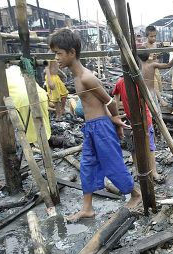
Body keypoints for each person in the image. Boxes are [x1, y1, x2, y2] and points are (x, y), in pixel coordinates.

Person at [49, 28, 141, 221]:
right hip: (91, 128)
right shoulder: (76, 77)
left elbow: (110, 101)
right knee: (87, 165)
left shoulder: (86, 77)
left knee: (113, 163)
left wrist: (115, 120)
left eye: (59, 53)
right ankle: (87, 208)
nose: (56, 58)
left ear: (72, 53)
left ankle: (136, 195)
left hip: (101, 127)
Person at [0, 63, 51, 144]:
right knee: (42, 119)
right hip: (40, 94)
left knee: (26, 123)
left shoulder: (2, 74)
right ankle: (44, 139)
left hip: (22, 98)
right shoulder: (20, 70)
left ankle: (31, 142)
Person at [111, 77, 163, 183]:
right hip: (129, 119)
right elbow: (115, 97)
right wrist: (116, 114)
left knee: (149, 146)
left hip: (144, 118)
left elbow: (146, 101)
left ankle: (153, 172)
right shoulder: (121, 82)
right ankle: (137, 170)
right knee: (133, 147)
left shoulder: (139, 81)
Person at [137, 47, 173, 112]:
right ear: (149, 56)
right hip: (151, 93)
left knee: (144, 112)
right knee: (155, 112)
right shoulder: (152, 65)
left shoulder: (136, 67)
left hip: (141, 93)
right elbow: (169, 65)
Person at [143, 25, 168, 107]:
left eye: (155, 36)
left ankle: (157, 99)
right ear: (147, 36)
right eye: (151, 36)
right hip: (148, 69)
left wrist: (156, 57)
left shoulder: (155, 45)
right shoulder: (144, 46)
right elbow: (142, 59)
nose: (154, 38)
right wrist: (150, 58)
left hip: (155, 67)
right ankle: (161, 100)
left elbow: (156, 57)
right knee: (154, 84)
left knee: (159, 83)